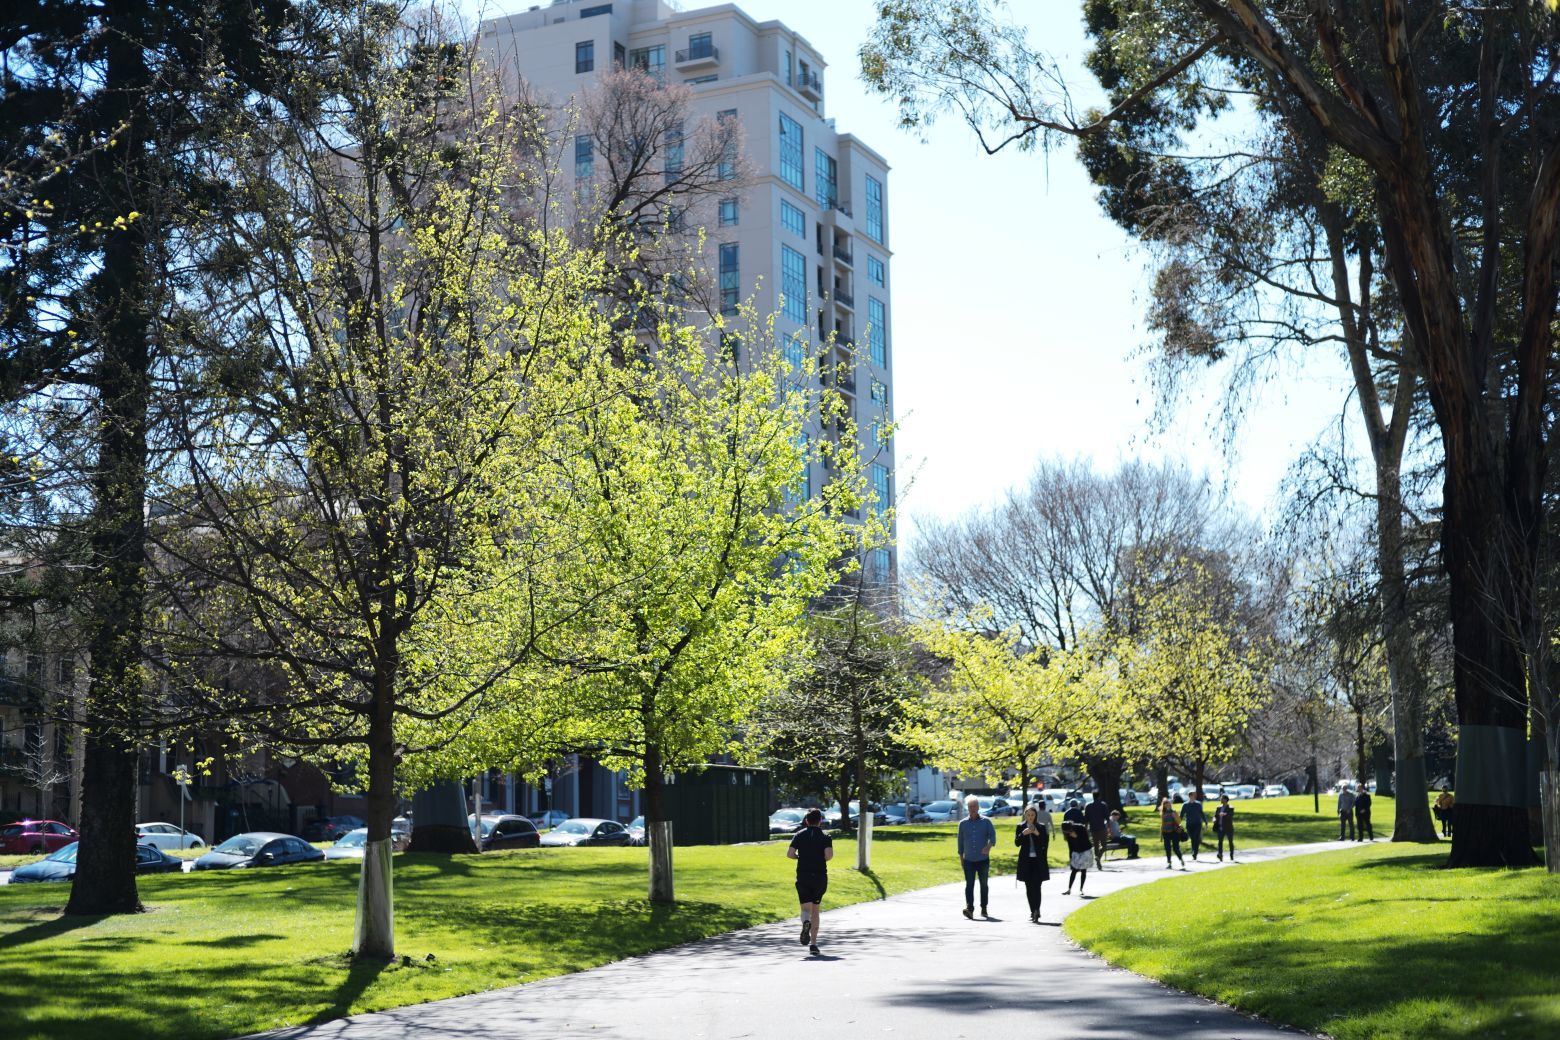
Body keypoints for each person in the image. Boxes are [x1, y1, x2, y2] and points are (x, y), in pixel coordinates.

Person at [787, 808, 833, 955]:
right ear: (820, 821)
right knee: (816, 910)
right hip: (819, 877)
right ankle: (813, 944)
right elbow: (828, 856)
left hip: (803, 876)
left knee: (805, 909)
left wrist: (799, 857)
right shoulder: (825, 836)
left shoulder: (799, 835)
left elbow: (790, 854)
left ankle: (805, 922)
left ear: (806, 821)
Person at [957, 794, 997, 919]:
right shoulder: (962, 824)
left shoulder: (986, 822)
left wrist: (988, 847)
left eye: (974, 806)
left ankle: (984, 908)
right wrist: (961, 859)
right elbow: (960, 843)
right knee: (969, 885)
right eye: (970, 806)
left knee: (984, 884)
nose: (972, 808)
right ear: (967, 808)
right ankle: (970, 908)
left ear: (978, 807)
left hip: (983, 860)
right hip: (968, 859)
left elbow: (993, 837)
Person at [1015, 804, 1050, 923]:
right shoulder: (1020, 826)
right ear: (1025, 815)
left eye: (1032, 815)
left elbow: (1045, 842)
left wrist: (1036, 833)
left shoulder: (1041, 827)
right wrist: (1023, 834)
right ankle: (1032, 911)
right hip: (1026, 861)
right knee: (1029, 887)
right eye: (1028, 815)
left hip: (1038, 861)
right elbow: (1016, 843)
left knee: (1037, 886)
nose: (1030, 817)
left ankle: (1037, 910)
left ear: (1035, 816)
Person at [1060, 799, 1092, 894]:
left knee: (1083, 870)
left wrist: (1077, 837)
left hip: (1085, 850)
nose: (1068, 833)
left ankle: (1081, 889)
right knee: (1074, 870)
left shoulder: (1081, 828)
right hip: (1076, 851)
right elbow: (1071, 846)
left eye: (1068, 832)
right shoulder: (1068, 834)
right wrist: (1071, 856)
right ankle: (1069, 889)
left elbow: (1086, 841)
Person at [1083, 794, 1112, 868]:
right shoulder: (1103, 805)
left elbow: (1086, 819)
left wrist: (1086, 829)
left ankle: (1098, 861)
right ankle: (1098, 857)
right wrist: (1109, 828)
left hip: (1093, 828)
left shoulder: (1088, 806)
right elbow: (1107, 818)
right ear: (1099, 797)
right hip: (1101, 827)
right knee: (1104, 845)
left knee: (1096, 845)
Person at [1159, 797, 1186, 869]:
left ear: (1170, 805)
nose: (1167, 806)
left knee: (1175, 848)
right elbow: (1162, 824)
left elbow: (1179, 822)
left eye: (1168, 804)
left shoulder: (1174, 812)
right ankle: (1169, 863)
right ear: (1164, 805)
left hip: (1174, 832)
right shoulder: (1163, 813)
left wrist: (1175, 817)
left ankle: (1181, 859)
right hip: (1165, 832)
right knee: (1167, 848)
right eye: (1166, 805)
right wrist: (1161, 835)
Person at [1181, 789, 1207, 860]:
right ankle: (1193, 850)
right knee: (1192, 838)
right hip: (1189, 824)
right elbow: (1181, 815)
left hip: (1197, 824)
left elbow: (1201, 813)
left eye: (1195, 795)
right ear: (1189, 796)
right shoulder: (1185, 805)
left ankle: (1195, 852)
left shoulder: (1198, 804)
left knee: (1196, 838)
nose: (1194, 796)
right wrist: (1178, 823)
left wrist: (1205, 821)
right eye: (1193, 795)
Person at [1212, 794, 1236, 861]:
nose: (1221, 800)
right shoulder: (1218, 808)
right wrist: (1214, 819)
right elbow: (1215, 815)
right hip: (1220, 827)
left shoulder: (1230, 808)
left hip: (1228, 828)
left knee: (1230, 842)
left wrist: (1225, 814)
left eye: (1222, 798)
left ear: (1226, 800)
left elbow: (1230, 816)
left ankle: (1231, 855)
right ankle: (1220, 854)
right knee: (1220, 842)